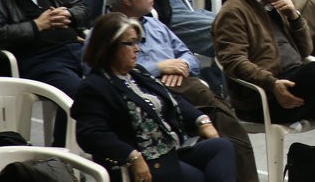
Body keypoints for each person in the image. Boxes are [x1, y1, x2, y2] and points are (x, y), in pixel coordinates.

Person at [72, 12, 236, 181]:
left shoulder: (137, 73)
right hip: (145, 160)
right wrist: (132, 156)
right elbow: (90, 135)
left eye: (137, 42)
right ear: (109, 47)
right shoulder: (95, 87)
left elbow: (174, 100)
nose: (137, 48)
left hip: (171, 150)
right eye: (130, 43)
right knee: (200, 177)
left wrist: (202, 120)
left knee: (221, 147)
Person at [0, 0, 88, 145]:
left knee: (114, 83)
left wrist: (69, 15)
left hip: (75, 49)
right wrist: (38, 25)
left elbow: (81, 7)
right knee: (82, 94)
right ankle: (64, 155)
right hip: (40, 60)